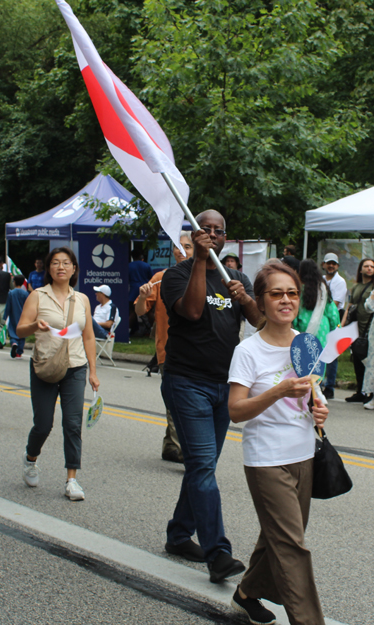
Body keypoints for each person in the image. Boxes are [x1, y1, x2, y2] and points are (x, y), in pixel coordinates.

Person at [160, 210, 260, 581]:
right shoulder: (177, 275)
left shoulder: (235, 277)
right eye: (206, 229)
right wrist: (200, 261)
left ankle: (178, 534)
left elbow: (258, 322)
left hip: (225, 384)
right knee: (202, 465)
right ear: (195, 233)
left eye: (220, 231)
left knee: (203, 467)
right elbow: (192, 310)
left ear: (225, 238)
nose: (213, 235)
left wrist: (246, 299)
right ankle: (218, 553)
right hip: (186, 383)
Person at [228, 260, 328, 625]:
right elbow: (236, 411)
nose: (286, 300)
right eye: (276, 294)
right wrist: (279, 389)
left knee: (278, 538)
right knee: (291, 547)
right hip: (266, 459)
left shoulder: (307, 343)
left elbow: (311, 396)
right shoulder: (248, 351)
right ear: (261, 300)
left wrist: (320, 410)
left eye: (292, 293)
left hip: (304, 455)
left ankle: (247, 591)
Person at [17, 246, 99, 501]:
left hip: (75, 367)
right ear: (49, 269)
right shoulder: (38, 296)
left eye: (66, 263)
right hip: (45, 365)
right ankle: (31, 458)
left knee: (72, 424)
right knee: (43, 424)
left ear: (74, 269)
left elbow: (88, 336)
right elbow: (20, 330)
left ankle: (72, 480)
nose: (61, 267)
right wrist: (34, 325)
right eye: (55, 263)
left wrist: (93, 372)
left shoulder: (82, 299)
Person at [135, 231, 194, 464]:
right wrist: (142, 298)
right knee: (176, 399)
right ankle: (184, 450)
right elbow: (140, 311)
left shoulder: (203, 277)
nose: (182, 251)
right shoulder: (161, 278)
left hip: (196, 351)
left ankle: (171, 445)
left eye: (187, 246)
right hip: (168, 350)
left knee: (183, 400)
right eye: (178, 247)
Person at [342, 258, 374, 403]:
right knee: (357, 359)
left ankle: (369, 391)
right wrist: (342, 325)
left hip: (370, 329)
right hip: (356, 328)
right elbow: (350, 307)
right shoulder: (356, 287)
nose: (369, 269)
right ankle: (360, 391)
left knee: (369, 361)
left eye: (372, 266)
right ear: (360, 269)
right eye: (366, 266)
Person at [293, 259, 340, 349]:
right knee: (320, 358)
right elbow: (332, 314)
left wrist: (295, 327)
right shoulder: (323, 289)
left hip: (302, 326)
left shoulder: (297, 289)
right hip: (322, 328)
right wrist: (335, 328)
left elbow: (295, 311)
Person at [321, 253, 348, 399]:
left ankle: (330, 387)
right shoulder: (322, 280)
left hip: (334, 317)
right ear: (323, 265)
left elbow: (335, 304)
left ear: (337, 266)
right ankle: (320, 383)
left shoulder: (340, 282)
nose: (331, 266)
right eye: (328, 263)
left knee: (332, 354)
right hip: (322, 317)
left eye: (334, 264)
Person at [128, 250, 153, 335]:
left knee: (132, 312)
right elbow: (152, 279)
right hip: (146, 291)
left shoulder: (129, 266)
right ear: (141, 256)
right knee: (149, 311)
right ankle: (152, 330)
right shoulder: (146, 265)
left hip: (133, 292)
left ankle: (128, 331)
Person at [4, 274, 29, 358]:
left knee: (12, 331)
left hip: (13, 315)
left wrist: (5, 317)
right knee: (22, 333)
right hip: (23, 316)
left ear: (14, 282)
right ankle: (19, 351)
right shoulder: (26, 294)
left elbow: (8, 306)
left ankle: (14, 343)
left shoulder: (11, 293)